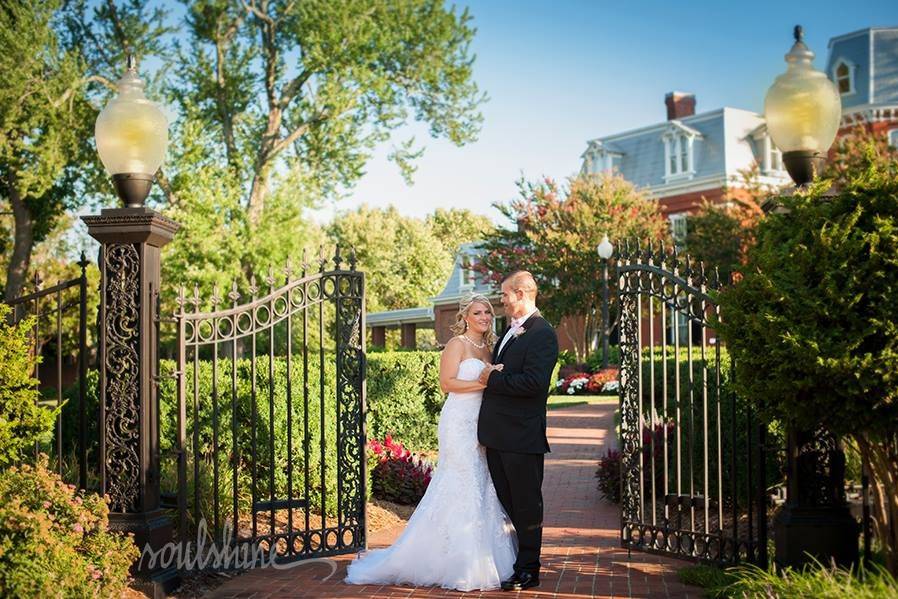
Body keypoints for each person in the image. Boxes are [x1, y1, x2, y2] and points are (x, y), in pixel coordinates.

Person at [344, 294, 516, 592]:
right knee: (460, 483)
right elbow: (447, 383)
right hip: (459, 422)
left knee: (481, 483)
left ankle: (484, 557)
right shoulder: (457, 344)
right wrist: (486, 381)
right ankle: (456, 562)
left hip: (482, 424)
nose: (484, 317)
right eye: (478, 312)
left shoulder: (490, 346)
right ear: (466, 316)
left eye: (488, 312)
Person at [477, 271, 559, 591]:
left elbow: (535, 385)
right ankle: (519, 558)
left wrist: (491, 378)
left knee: (526, 505)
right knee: (509, 502)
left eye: (505, 295)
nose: (502, 300)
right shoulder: (509, 332)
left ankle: (529, 569)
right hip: (498, 435)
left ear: (522, 294)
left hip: (522, 437)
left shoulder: (542, 333)